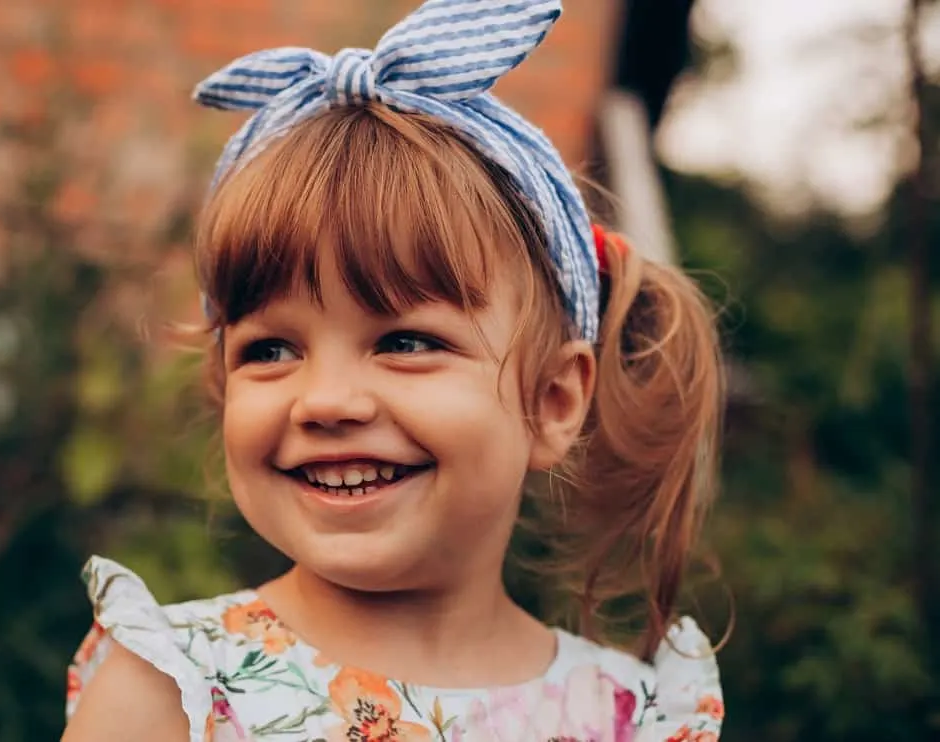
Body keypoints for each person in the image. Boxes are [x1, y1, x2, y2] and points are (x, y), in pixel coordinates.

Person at [61, 1, 726, 740]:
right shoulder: (174, 689)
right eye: (270, 350)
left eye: (405, 342)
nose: (327, 401)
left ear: (553, 400)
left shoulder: (633, 717)